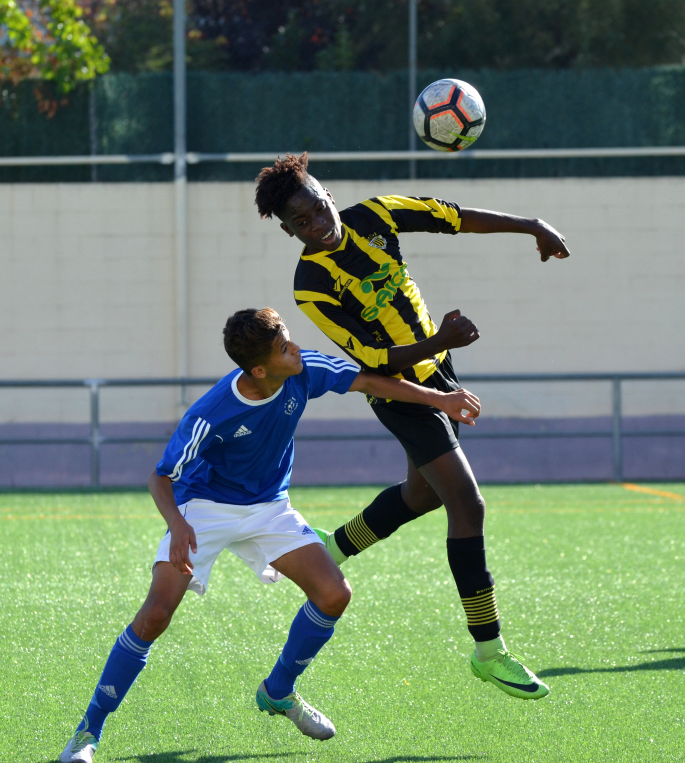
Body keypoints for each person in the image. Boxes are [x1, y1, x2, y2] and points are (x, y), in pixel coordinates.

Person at [59, 307, 481, 763]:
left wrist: (440, 400)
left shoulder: (304, 369)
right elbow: (161, 478)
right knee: (156, 614)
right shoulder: (211, 413)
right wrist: (179, 524)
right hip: (205, 507)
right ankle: (88, 732)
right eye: (284, 347)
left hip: (269, 507)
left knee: (334, 594)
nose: (294, 348)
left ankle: (278, 691)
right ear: (259, 370)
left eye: (288, 338)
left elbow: (369, 382)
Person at [253, 153, 570, 700]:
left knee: (422, 494)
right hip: (400, 391)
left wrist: (531, 225)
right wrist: (438, 345)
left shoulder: (376, 213)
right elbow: (374, 358)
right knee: (467, 505)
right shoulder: (311, 284)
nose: (318, 225)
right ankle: (488, 650)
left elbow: (452, 216)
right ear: (288, 230)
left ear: (326, 192)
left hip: (437, 368)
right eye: (301, 223)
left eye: (317, 208)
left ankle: (335, 547)